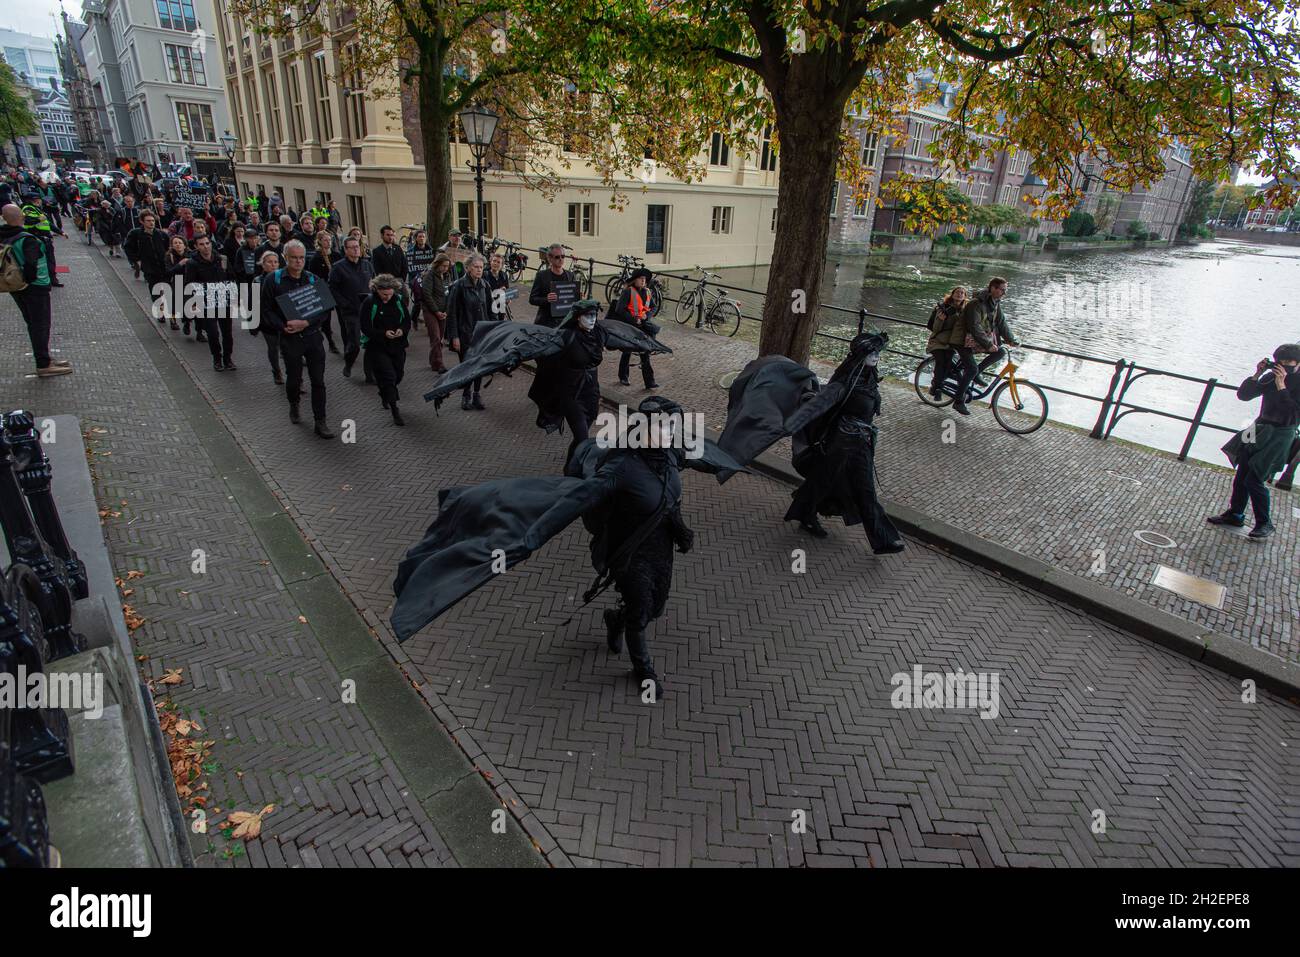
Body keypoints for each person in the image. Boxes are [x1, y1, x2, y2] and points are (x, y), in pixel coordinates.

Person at [1208, 345, 1300, 540]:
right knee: (1242, 472)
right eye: (1279, 363)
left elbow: (1292, 413)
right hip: (1259, 427)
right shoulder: (1271, 377)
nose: (1282, 368)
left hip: (1281, 433)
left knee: (1255, 478)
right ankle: (1235, 514)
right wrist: (1257, 374)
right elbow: (1244, 395)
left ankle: (1264, 522)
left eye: (1287, 364)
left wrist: (1282, 385)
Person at [260, 240, 335, 437]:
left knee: (318, 381)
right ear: (286, 257)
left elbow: (325, 309)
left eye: (301, 258)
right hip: (290, 339)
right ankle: (293, 403)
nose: (298, 262)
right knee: (294, 379)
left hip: (312, 337)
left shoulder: (312, 279)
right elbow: (266, 310)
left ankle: (321, 421)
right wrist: (283, 326)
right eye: (294, 258)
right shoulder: (273, 280)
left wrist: (307, 323)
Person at [528, 298, 607, 462]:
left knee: (581, 439)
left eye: (594, 315)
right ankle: (572, 472)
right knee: (583, 437)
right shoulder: (566, 336)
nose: (593, 319)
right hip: (571, 394)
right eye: (588, 315)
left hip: (591, 393)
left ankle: (573, 462)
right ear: (578, 317)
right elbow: (543, 354)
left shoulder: (597, 334)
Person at [0, 203, 71, 377]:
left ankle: (44, 357)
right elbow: (32, 266)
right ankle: (43, 364)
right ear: (22, 218)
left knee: (33, 323)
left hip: (15, 286)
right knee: (40, 325)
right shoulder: (27, 239)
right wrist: (32, 280)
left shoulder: (3, 237)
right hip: (35, 288)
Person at [954, 277, 1018, 415]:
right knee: (971, 369)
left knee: (1000, 352)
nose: (1004, 293)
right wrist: (988, 344)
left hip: (973, 340)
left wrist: (1011, 340)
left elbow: (1001, 322)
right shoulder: (975, 304)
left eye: (1005, 290)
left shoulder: (995, 303)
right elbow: (974, 326)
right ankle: (958, 401)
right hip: (961, 339)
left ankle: (977, 372)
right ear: (993, 288)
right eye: (1002, 290)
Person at [359, 274, 414, 425]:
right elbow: (365, 327)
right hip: (378, 346)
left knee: (398, 376)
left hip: (397, 345)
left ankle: (384, 393)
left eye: (390, 294)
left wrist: (402, 330)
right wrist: (383, 333)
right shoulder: (369, 303)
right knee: (389, 377)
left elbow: (407, 321)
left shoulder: (397, 300)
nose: (387, 298)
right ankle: (395, 410)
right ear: (376, 290)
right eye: (384, 295)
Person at [445, 254, 495, 410]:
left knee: (480, 365)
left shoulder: (485, 286)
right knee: (467, 366)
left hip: (481, 333)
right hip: (465, 333)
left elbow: (490, 310)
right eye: (476, 267)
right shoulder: (458, 286)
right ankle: (466, 394)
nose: (479, 270)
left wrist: (494, 330)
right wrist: (454, 336)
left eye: (481, 267)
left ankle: (477, 394)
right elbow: (451, 313)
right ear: (468, 268)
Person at [184, 234, 236, 371]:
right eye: (201, 244)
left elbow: (232, 278)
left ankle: (228, 358)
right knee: (213, 333)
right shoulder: (192, 263)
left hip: (224, 301)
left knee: (227, 333)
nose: (205, 247)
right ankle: (217, 359)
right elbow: (189, 284)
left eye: (207, 243)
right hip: (206, 303)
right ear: (196, 246)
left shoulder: (222, 259)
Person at [327, 235, 375, 380]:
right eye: (352, 247)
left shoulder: (367, 265)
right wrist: (344, 304)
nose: (356, 249)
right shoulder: (338, 268)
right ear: (345, 250)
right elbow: (332, 289)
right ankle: (349, 363)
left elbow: (374, 282)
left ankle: (370, 374)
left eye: (357, 246)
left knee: (372, 343)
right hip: (351, 311)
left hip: (367, 309)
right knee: (354, 343)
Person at [610, 267, 659, 389]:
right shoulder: (628, 292)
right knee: (627, 351)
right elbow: (619, 310)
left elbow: (653, 307)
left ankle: (649, 382)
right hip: (630, 326)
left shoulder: (647, 292)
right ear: (634, 280)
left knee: (645, 352)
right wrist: (633, 319)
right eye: (641, 279)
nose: (643, 281)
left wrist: (646, 316)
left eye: (645, 279)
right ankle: (623, 376)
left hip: (643, 326)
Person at [924, 286, 969, 398]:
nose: (959, 294)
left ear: (965, 297)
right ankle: (936, 388)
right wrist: (940, 320)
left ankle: (938, 385)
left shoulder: (965, 311)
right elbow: (935, 329)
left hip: (952, 343)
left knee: (949, 364)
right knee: (941, 361)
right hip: (938, 341)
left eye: (962, 293)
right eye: (957, 292)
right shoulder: (943, 308)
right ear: (952, 294)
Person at [307, 230, 342, 354]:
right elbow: (313, 278)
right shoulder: (315, 258)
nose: (328, 242)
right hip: (324, 291)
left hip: (338, 291)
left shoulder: (337, 255)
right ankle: (331, 342)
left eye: (330, 240)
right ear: (319, 242)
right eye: (325, 240)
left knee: (342, 316)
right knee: (326, 319)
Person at [254, 250, 284, 384]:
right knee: (273, 347)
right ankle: (276, 370)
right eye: (269, 262)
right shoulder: (257, 281)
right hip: (267, 321)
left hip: (283, 319)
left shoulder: (284, 278)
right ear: (263, 264)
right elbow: (252, 303)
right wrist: (253, 324)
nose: (273, 265)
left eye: (276, 262)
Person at [419, 254, 453, 373]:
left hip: (443, 311)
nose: (445, 268)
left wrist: (446, 311)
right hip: (431, 311)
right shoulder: (430, 275)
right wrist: (436, 311)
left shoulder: (447, 276)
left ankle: (433, 361)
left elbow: (449, 293)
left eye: (447, 266)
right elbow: (427, 294)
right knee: (436, 338)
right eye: (443, 266)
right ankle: (440, 364)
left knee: (440, 339)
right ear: (437, 264)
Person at [529, 243, 574, 327]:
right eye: (557, 257)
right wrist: (547, 299)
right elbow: (532, 299)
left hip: (565, 320)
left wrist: (577, 296)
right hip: (546, 321)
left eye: (563, 256)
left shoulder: (570, 275)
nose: (561, 259)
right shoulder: (541, 275)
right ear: (550, 258)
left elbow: (572, 301)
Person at [164, 235, 192, 335]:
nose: (178, 245)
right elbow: (169, 271)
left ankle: (187, 322)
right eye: (175, 243)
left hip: (188, 281)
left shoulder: (191, 254)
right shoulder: (169, 256)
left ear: (184, 245)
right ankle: (173, 319)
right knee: (174, 302)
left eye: (180, 243)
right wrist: (180, 264)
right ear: (172, 245)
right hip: (176, 280)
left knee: (188, 303)